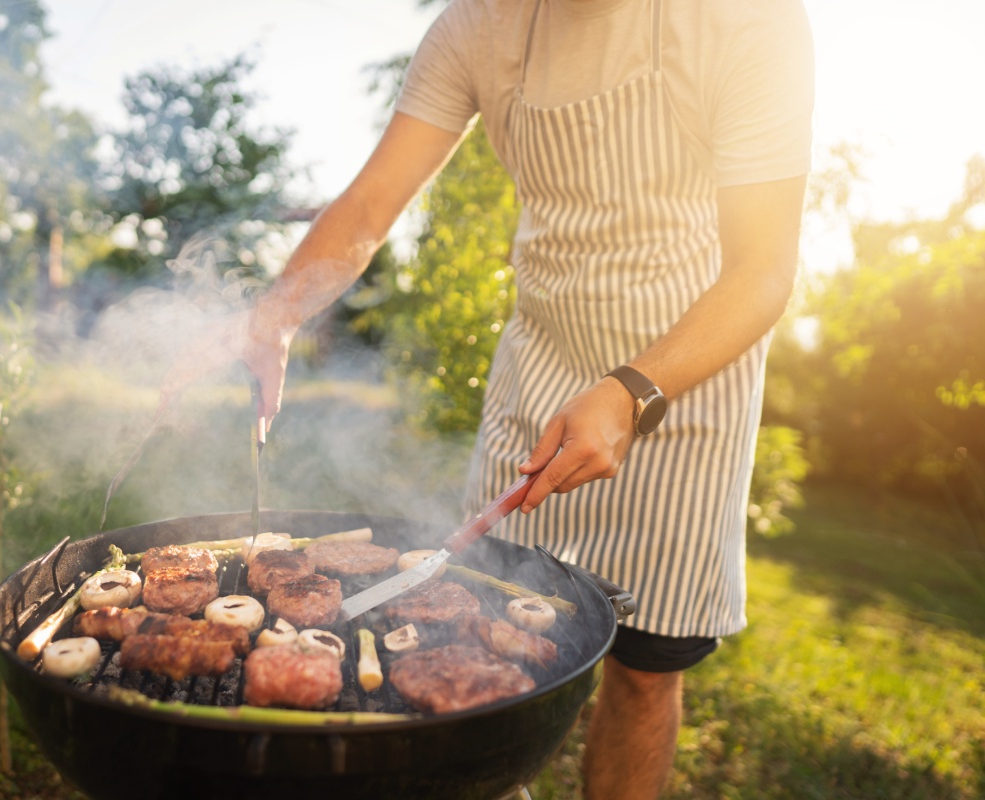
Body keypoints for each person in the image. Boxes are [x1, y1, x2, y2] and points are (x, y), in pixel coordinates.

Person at [167, 0, 812, 796]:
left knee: (646, 667)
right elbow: (371, 205)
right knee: (469, 627)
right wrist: (275, 312)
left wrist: (631, 389)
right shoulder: (477, 27)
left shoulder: (746, 18)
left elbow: (764, 270)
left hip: (683, 376)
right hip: (540, 369)